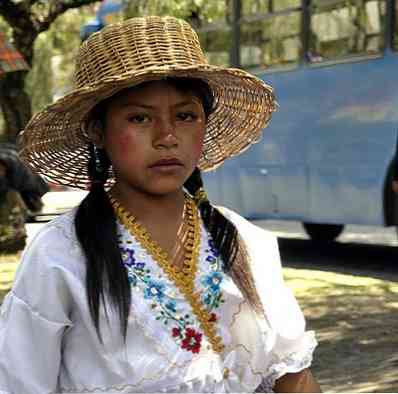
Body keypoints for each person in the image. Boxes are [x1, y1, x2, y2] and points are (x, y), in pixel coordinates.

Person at [0, 16, 320, 393]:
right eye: (139, 117)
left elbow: (293, 377)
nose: (167, 137)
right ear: (97, 130)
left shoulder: (243, 241)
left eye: (185, 116)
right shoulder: (62, 257)